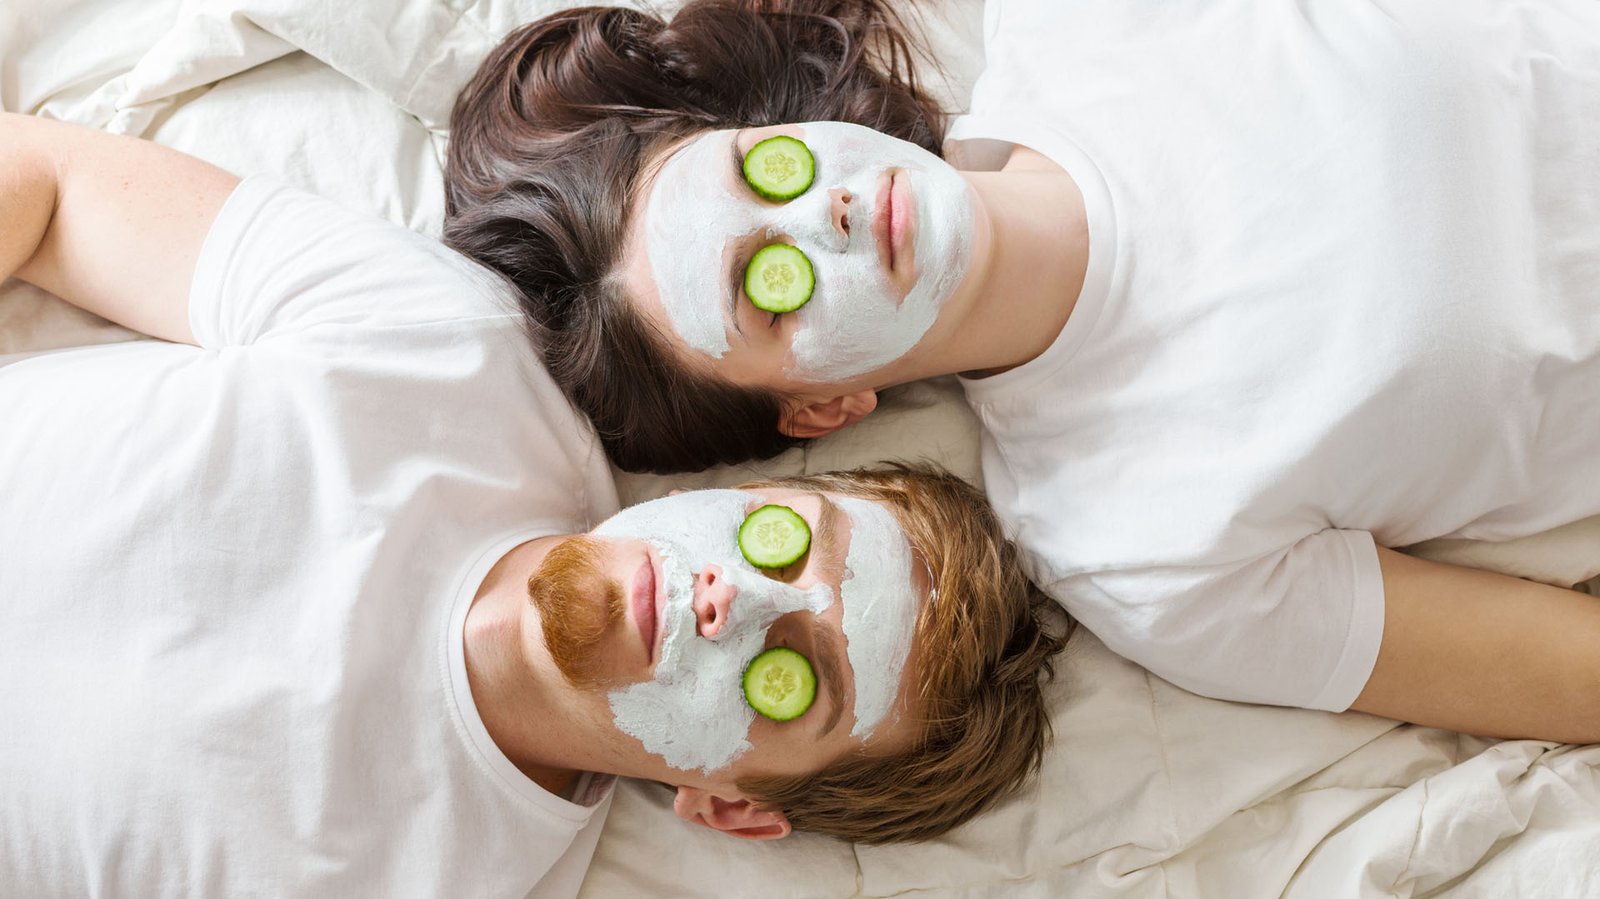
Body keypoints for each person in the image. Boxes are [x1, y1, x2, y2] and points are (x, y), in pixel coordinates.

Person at [442, 0, 1600, 743]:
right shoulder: (1135, 550)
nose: (826, 211)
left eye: (770, 169)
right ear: (822, 410)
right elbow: (1573, 676)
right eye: (767, 287)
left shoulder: (1085, 28)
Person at [0, 112, 1065, 896]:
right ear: (743, 489)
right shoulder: (445, 345)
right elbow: (49, 187)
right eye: (775, 540)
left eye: (795, 675)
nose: (721, 597)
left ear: (734, 805)